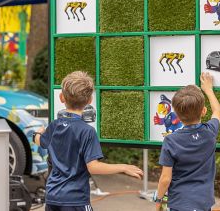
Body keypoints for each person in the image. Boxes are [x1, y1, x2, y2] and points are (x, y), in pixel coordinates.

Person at [34, 71, 143, 211]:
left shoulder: (54, 125)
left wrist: (38, 132)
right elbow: (93, 166)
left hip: (53, 197)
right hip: (75, 199)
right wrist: (123, 167)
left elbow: (39, 141)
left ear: (61, 98)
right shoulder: (87, 131)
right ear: (90, 100)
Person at [154, 72, 220, 211]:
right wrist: (208, 90)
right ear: (203, 111)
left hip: (179, 204)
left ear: (176, 115)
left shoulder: (170, 141)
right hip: (204, 203)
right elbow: (218, 111)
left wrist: (158, 198)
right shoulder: (210, 132)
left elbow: (165, 179)